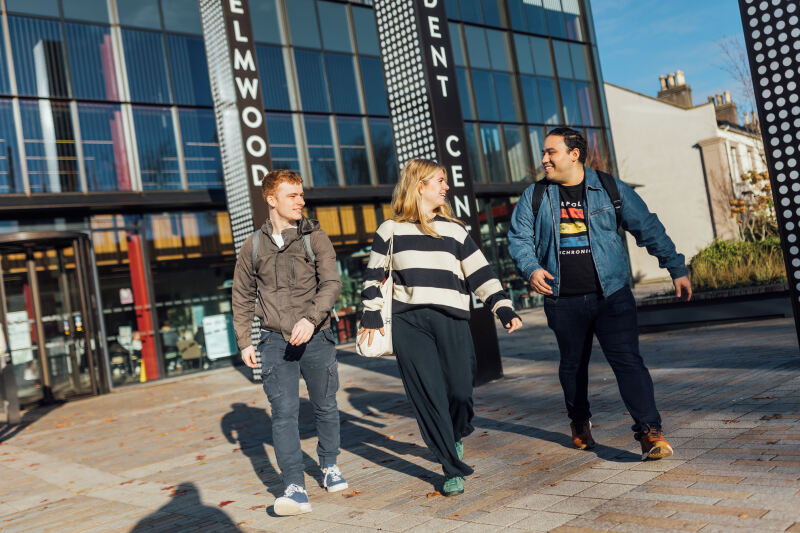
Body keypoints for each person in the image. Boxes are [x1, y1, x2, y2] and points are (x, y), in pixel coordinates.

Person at [508, 127, 692, 461]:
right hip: (561, 299)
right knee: (573, 365)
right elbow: (519, 238)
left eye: (551, 152)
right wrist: (531, 268)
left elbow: (646, 225)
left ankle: (650, 431)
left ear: (574, 154)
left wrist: (675, 267)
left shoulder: (608, 188)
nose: (544, 159)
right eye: (544, 153)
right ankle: (579, 421)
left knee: (627, 361)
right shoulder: (534, 196)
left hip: (612, 295)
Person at [358, 158, 523, 497]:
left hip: (452, 320)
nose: (446, 187)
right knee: (428, 397)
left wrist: (502, 307)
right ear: (419, 185)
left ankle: (456, 433)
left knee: (461, 392)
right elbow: (373, 277)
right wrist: (371, 313)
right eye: (439, 181)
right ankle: (451, 467)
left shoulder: (454, 230)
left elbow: (480, 273)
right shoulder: (390, 230)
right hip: (410, 323)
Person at [232, 169, 345, 516]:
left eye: (301, 194)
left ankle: (329, 465)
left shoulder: (316, 237)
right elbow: (242, 295)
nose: (301, 201)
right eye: (292, 195)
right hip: (273, 340)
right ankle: (295, 487)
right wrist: (243, 341)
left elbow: (331, 284)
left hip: (318, 336)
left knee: (325, 405)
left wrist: (311, 320)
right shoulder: (252, 246)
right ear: (271, 200)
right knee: (283, 414)